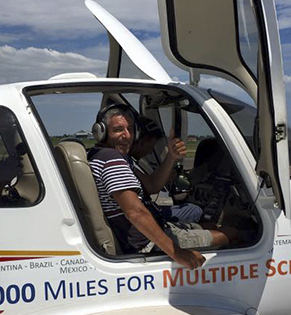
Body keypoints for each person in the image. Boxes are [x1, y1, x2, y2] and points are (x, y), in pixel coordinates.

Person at [87, 105, 236, 270]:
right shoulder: (111, 159)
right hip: (147, 243)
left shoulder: (106, 156)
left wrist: (171, 157)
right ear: (101, 132)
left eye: (130, 129)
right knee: (235, 234)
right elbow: (135, 212)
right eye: (118, 130)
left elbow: (151, 186)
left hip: (154, 231)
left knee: (211, 227)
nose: (127, 136)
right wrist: (176, 252)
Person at [130, 117, 203, 224]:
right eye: (151, 146)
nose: (150, 151)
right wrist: (171, 156)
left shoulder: (128, 160)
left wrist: (166, 177)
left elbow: (147, 184)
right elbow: (151, 186)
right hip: (144, 215)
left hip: (143, 210)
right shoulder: (125, 161)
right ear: (142, 141)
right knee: (195, 210)